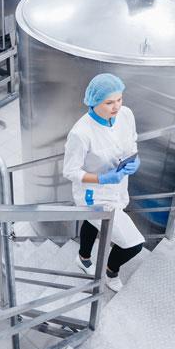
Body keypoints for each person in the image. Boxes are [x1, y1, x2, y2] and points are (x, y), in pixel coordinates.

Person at [63, 73, 144, 291]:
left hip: (118, 186)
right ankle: (111, 271)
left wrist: (134, 160)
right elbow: (70, 171)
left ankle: (83, 258)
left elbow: (132, 141)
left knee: (92, 222)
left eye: (119, 99)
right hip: (93, 193)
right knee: (133, 244)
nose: (116, 106)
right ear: (94, 101)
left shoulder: (126, 115)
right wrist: (102, 178)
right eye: (109, 102)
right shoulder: (81, 133)